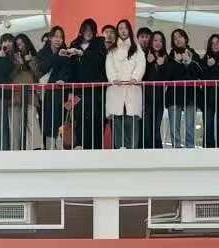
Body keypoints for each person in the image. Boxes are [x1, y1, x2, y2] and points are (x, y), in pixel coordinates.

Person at [105, 19, 146, 149]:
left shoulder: (137, 48)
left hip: (132, 89)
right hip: (116, 90)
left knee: (131, 121)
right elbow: (109, 66)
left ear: (129, 30)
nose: (123, 31)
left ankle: (132, 151)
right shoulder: (112, 50)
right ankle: (119, 151)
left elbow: (141, 64)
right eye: (120, 28)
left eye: (125, 28)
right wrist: (113, 78)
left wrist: (135, 77)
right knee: (117, 122)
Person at [69, 19, 107, 150]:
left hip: (97, 91)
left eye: (91, 30)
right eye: (86, 29)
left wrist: (83, 54)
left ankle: (96, 151)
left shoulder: (100, 43)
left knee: (97, 121)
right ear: (81, 30)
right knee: (79, 120)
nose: (88, 32)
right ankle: (80, 148)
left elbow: (101, 62)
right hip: (79, 91)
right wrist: (71, 91)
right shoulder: (74, 44)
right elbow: (70, 69)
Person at [165, 28, 202, 149]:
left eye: (180, 36)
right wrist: (176, 62)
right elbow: (167, 76)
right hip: (174, 96)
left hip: (191, 95)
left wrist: (189, 62)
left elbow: (200, 73)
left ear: (185, 38)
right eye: (175, 38)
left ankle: (190, 148)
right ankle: (176, 148)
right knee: (174, 126)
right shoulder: (170, 57)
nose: (178, 40)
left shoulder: (193, 54)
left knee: (190, 125)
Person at [36, 26, 71, 150]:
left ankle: (61, 148)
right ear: (50, 38)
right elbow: (42, 68)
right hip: (46, 92)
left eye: (61, 37)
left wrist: (63, 79)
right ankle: (49, 148)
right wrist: (57, 56)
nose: (58, 39)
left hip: (61, 92)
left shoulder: (67, 52)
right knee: (47, 121)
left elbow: (68, 70)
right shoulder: (42, 53)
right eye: (56, 36)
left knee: (62, 119)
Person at [10, 34, 43, 150]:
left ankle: (37, 148)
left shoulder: (34, 57)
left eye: (23, 43)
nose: (21, 46)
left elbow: (38, 75)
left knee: (32, 121)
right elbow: (9, 76)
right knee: (15, 124)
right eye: (18, 44)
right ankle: (16, 150)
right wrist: (19, 64)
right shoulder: (12, 58)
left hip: (30, 93)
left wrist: (30, 62)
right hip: (15, 94)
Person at [201, 33, 219, 148]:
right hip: (207, 97)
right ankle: (208, 149)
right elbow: (202, 77)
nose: (215, 45)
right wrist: (210, 66)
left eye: (217, 42)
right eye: (212, 43)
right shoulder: (205, 59)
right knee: (208, 125)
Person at [142, 31, 167, 149]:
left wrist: (161, 66)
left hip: (159, 99)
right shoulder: (144, 55)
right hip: (146, 99)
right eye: (155, 40)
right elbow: (141, 76)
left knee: (156, 130)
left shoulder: (166, 57)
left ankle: (158, 154)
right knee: (146, 130)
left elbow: (167, 78)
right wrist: (148, 63)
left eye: (160, 41)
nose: (158, 43)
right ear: (151, 42)